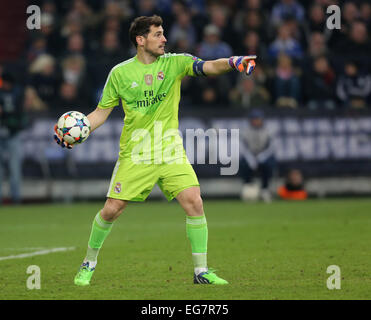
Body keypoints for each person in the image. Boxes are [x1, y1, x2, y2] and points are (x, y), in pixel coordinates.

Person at [53, 15, 257, 286]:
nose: (164, 39)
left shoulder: (175, 63)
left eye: (163, 34)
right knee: (112, 209)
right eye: (158, 34)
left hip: (170, 149)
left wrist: (233, 62)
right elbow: (101, 112)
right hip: (137, 153)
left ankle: (201, 271)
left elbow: (208, 66)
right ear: (141, 40)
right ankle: (89, 262)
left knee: (194, 202)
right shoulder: (121, 73)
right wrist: (77, 131)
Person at [239, 109, 275, 203]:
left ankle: (265, 189)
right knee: (243, 164)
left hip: (264, 155)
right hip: (251, 155)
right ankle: (247, 187)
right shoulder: (245, 131)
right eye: (254, 119)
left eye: (257, 119)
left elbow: (271, 148)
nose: (256, 121)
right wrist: (251, 159)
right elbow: (243, 147)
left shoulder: (269, 130)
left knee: (268, 165)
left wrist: (261, 157)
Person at [0, 72, 25, 204]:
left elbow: (21, 114)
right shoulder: (17, 93)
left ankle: (16, 198)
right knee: (11, 167)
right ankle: (15, 198)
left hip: (12, 133)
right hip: (8, 132)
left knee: (15, 167)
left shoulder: (17, 94)